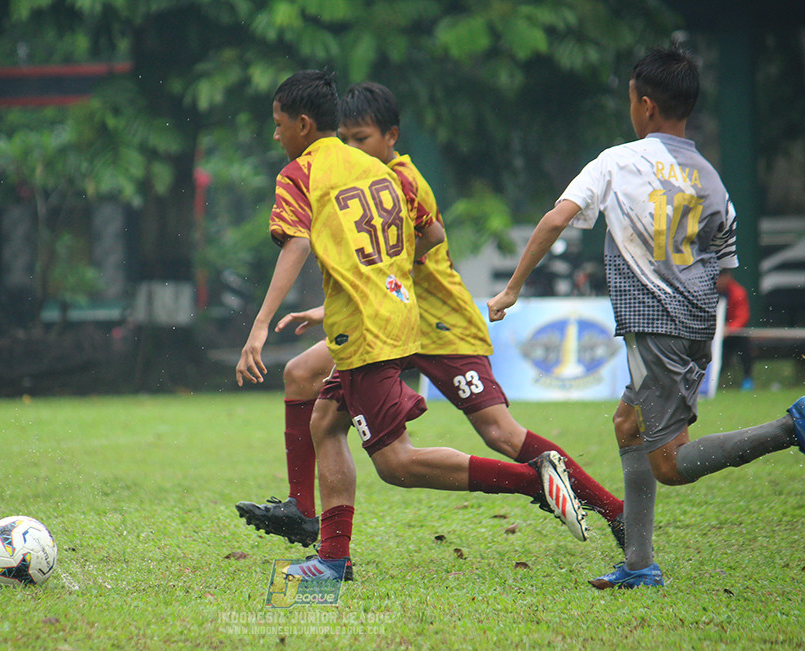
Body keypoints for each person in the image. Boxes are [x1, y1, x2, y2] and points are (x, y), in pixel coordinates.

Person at [236, 81, 626, 555]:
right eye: (348, 137)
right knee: (309, 391)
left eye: (363, 137)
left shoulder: (392, 177)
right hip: (391, 317)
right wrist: (343, 296)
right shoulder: (362, 175)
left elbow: (424, 239)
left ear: (391, 136)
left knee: (483, 439)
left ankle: (603, 506)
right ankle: (316, 533)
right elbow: (387, 250)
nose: (355, 147)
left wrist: (270, 322)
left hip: (438, 323)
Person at [487, 46, 805, 589]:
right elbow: (724, 265)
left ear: (647, 105)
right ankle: (639, 565)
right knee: (627, 423)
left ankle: (791, 426)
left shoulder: (617, 160)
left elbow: (555, 218)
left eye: (631, 98)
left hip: (656, 323)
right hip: (694, 317)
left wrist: (512, 288)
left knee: (670, 463)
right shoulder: (712, 180)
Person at [716, 269, 754, 390]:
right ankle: (711, 382)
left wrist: (729, 329)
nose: (720, 280)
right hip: (712, 334)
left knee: (745, 347)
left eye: (723, 276)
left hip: (733, 334)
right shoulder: (707, 292)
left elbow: (742, 316)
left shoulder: (738, 292)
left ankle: (747, 378)